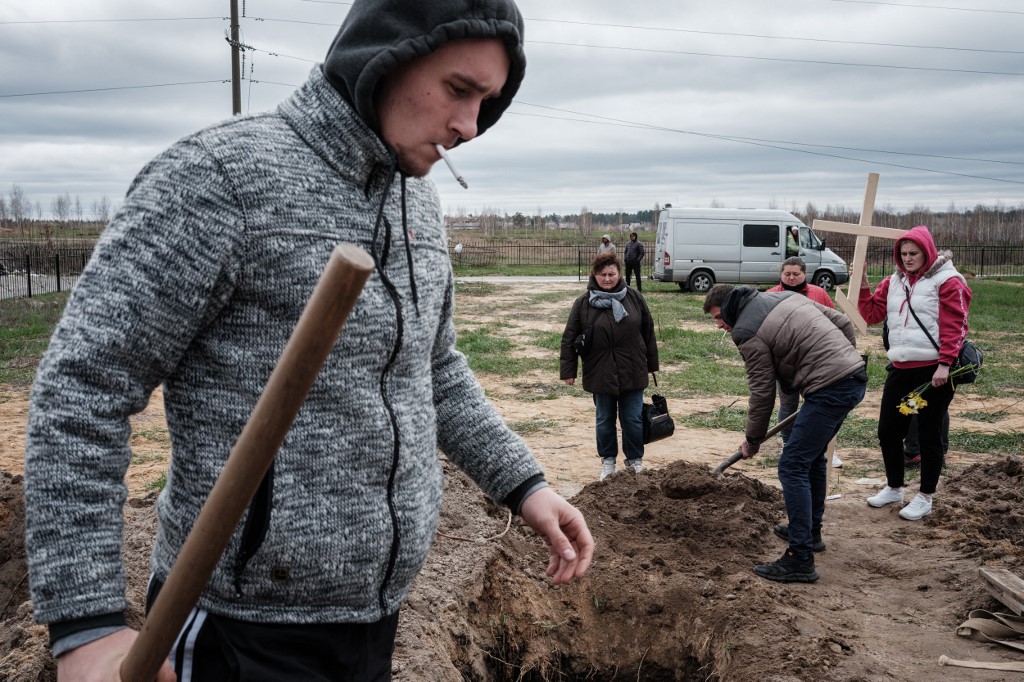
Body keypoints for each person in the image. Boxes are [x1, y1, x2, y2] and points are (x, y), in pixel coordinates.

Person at [23, 2, 594, 679]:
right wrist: (85, 628)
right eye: (458, 90)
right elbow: (82, 389)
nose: (470, 127)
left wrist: (524, 485)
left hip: (370, 620)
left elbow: (433, 369)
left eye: (487, 102)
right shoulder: (220, 180)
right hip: (238, 633)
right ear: (385, 58)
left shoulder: (415, 202)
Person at [704, 284, 866, 583]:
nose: (719, 325)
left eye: (718, 317)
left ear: (729, 307)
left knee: (791, 466)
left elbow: (762, 391)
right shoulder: (785, 297)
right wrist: (843, 360)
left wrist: (753, 439)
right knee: (812, 458)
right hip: (852, 378)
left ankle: (800, 558)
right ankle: (810, 531)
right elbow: (842, 322)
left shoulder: (746, 330)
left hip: (831, 389)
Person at [859, 225, 971, 521]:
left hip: (932, 373)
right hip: (900, 369)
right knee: (888, 431)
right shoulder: (894, 282)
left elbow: (955, 323)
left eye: (913, 253)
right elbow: (870, 314)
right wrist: (862, 283)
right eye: (903, 254)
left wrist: (945, 364)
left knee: (927, 434)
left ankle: (925, 495)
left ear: (927, 252)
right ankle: (895, 487)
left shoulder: (948, 281)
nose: (907, 259)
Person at [560, 253, 659, 481]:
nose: (607, 279)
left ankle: (635, 461)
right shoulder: (583, 303)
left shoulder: (634, 298)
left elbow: (648, 331)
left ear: (619, 273)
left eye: (611, 274)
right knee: (604, 419)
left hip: (632, 369)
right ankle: (608, 462)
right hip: (600, 372)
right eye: (602, 274)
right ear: (594, 275)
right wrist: (568, 371)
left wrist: (651, 364)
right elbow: (569, 338)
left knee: (633, 419)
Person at [765, 257, 843, 468]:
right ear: (781, 274)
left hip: (817, 361)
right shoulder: (770, 296)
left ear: (804, 274)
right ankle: (788, 444)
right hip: (786, 363)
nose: (791, 278)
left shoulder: (819, 293)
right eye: (787, 274)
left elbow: (834, 321)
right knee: (788, 404)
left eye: (796, 274)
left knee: (820, 406)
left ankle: (824, 449)